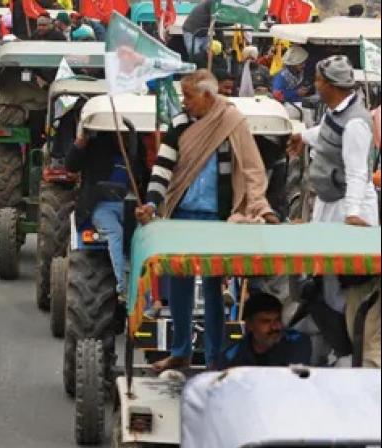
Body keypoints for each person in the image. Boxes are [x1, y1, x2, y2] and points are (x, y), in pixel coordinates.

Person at [136, 70, 278, 372]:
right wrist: (151, 203)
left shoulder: (231, 122)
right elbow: (163, 167)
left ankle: (215, 357)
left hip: (218, 218)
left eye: (189, 97)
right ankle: (181, 351)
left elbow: (252, 168)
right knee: (179, 287)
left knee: (215, 289)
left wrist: (261, 208)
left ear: (208, 97)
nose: (185, 103)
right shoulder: (180, 123)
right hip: (182, 214)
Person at [287, 56, 380, 366]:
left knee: (346, 286)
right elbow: (326, 134)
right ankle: (332, 347)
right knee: (325, 278)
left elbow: (357, 172)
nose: (315, 85)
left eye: (318, 80)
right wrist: (302, 137)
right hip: (328, 204)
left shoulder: (356, 122)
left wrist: (353, 215)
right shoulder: (335, 113)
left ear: (329, 85)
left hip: (347, 206)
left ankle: (347, 350)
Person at [66, 130, 134, 300]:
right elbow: (71, 165)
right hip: (103, 206)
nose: (124, 138)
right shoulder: (97, 146)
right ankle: (124, 287)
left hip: (130, 206)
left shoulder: (135, 152)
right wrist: (80, 143)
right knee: (115, 232)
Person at [221, 292, 312, 368]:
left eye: (277, 320)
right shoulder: (232, 357)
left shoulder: (298, 345)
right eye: (266, 321)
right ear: (249, 324)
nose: (275, 327)